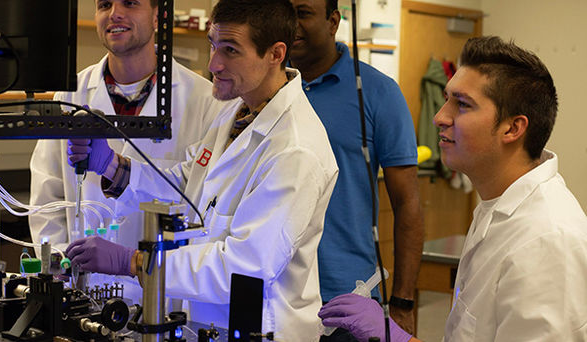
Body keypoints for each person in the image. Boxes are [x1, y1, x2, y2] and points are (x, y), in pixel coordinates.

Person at [65, 0, 339, 340]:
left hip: (263, 329)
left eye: (231, 50)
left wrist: (132, 262)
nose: (214, 64)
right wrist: (113, 167)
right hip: (209, 323)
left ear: (275, 53)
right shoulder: (239, 111)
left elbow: (244, 267)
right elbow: (188, 182)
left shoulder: (295, 149)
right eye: (213, 44)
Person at [318, 36, 587, 341]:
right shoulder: (497, 208)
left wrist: (397, 339)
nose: (440, 117)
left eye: (462, 104)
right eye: (447, 99)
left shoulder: (547, 240)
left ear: (513, 128)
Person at [29, 0, 225, 303]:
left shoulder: (204, 102)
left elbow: (200, 205)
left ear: (159, 15)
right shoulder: (69, 95)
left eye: (130, 3)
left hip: (164, 296)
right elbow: (47, 196)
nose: (114, 13)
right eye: (105, 4)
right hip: (83, 294)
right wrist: (59, 267)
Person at [288, 0, 423, 336]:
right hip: (274, 290)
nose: (292, 25)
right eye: (285, 13)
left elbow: (407, 205)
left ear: (333, 21)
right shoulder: (262, 87)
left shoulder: (379, 92)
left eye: (303, 13)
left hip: (347, 296)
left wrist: (403, 303)